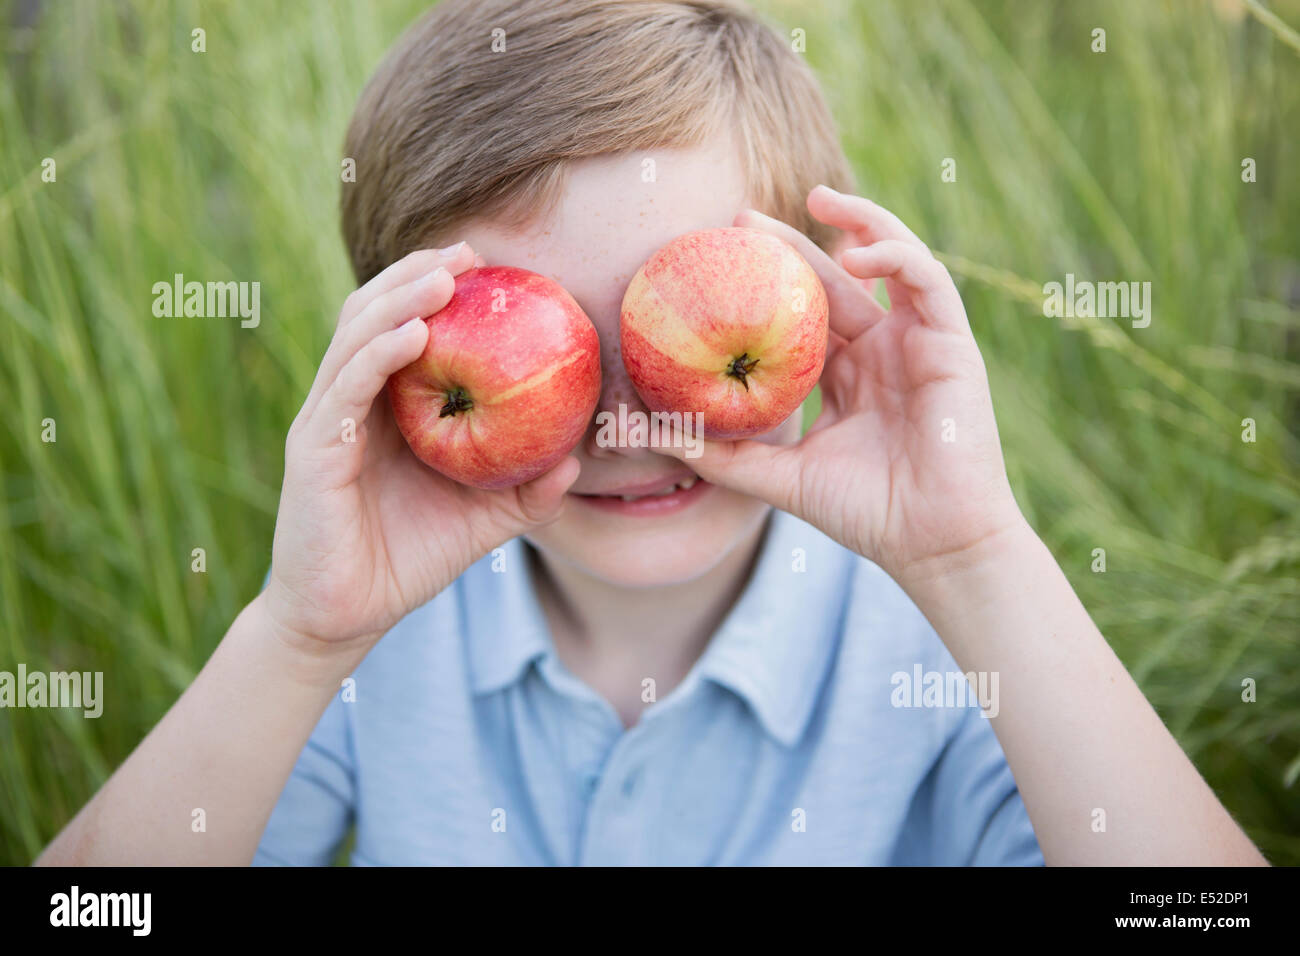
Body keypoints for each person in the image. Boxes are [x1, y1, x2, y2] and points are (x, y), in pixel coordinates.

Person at [38, 0, 1265, 866]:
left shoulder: (940, 650)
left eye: (681, 315)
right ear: (390, 351)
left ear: (824, 305)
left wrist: (976, 560)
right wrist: (299, 639)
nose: (625, 417)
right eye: (549, 337)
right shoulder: (372, 645)